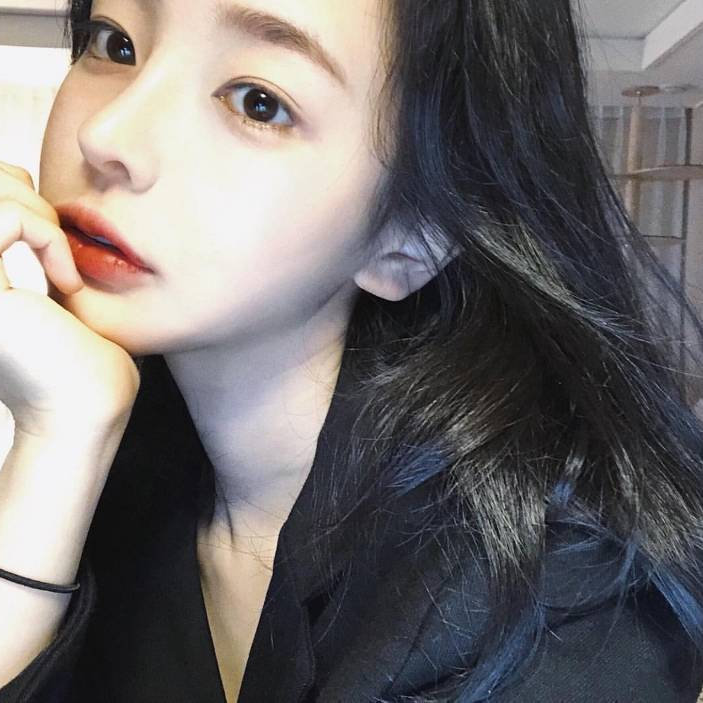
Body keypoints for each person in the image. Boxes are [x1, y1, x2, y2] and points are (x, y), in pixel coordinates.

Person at [0, 0, 702, 701]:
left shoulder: (559, 609)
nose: (106, 134)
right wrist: (60, 440)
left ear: (411, 237)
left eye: (258, 102)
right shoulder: (132, 454)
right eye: (115, 43)